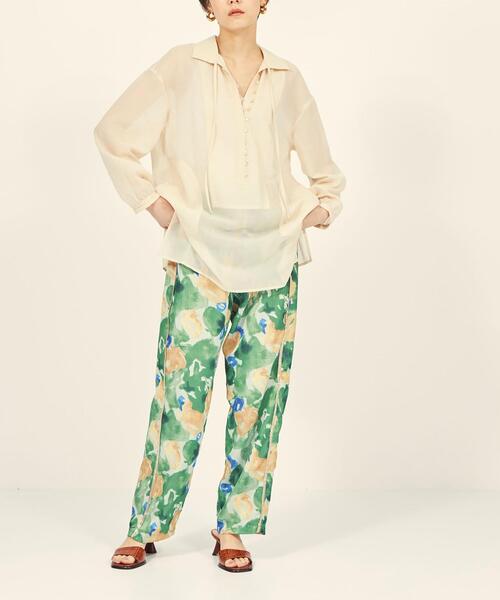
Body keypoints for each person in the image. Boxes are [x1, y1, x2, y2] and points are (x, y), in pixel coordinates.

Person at [94, 0, 346, 573]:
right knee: (178, 396)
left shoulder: (287, 78)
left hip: (273, 260)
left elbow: (325, 175)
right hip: (196, 255)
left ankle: (233, 527)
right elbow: (113, 133)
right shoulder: (180, 66)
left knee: (258, 399)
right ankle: (145, 524)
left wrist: (317, 212)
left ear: (263, 2)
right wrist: (153, 203)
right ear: (207, 5)